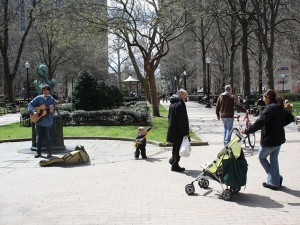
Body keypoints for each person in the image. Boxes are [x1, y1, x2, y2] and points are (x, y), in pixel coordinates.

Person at [242, 90, 294, 190]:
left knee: (261, 157)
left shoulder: (270, 108)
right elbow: (290, 117)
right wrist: (279, 125)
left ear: (268, 97)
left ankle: (274, 180)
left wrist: (247, 130)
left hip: (270, 140)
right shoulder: (278, 107)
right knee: (274, 160)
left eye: (264, 97)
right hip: (278, 139)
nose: (263, 99)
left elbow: (260, 122)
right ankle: (275, 179)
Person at [28, 85, 56, 158]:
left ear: (49, 90)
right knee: (38, 138)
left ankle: (49, 153)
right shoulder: (38, 98)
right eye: (44, 90)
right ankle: (38, 153)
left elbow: (53, 111)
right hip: (38, 121)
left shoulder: (52, 100)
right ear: (42, 90)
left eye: (47, 90)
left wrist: (51, 110)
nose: (45, 91)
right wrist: (33, 111)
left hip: (48, 122)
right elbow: (30, 104)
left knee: (48, 138)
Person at [167, 89, 190, 172]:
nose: (187, 96)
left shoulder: (173, 103)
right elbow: (182, 120)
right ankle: (175, 165)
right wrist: (185, 132)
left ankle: (173, 160)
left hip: (173, 130)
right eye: (185, 95)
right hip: (178, 131)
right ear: (180, 94)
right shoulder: (180, 104)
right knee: (178, 148)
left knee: (175, 147)